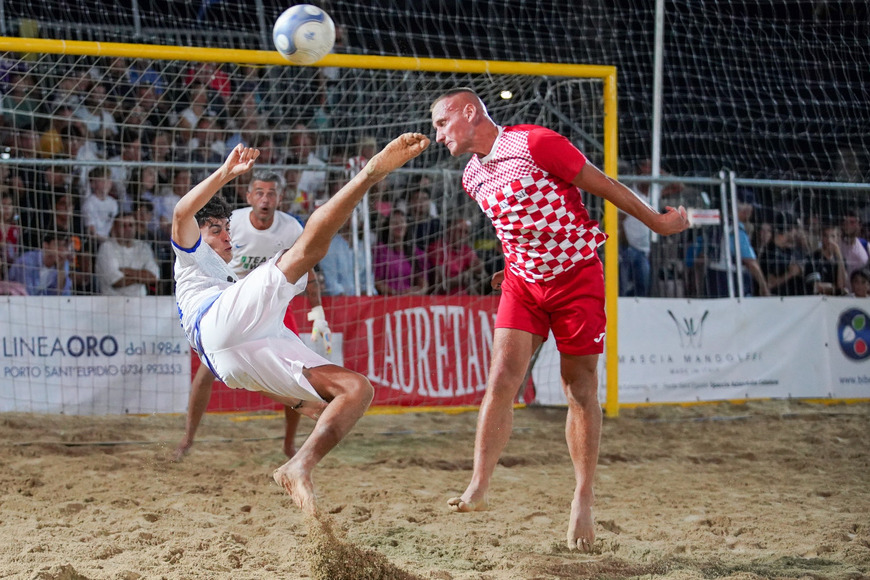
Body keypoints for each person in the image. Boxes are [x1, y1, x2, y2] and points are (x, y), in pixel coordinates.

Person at [430, 88, 688, 551]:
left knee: (579, 389)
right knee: (501, 379)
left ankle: (583, 497)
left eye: (441, 123)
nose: (437, 134)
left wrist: (656, 221)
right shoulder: (471, 177)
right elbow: (515, 224)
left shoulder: (535, 143)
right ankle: (479, 484)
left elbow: (604, 185)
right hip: (522, 284)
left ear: (470, 113)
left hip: (576, 277)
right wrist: (510, 265)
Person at [170, 133, 430, 515]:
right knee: (309, 247)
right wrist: (226, 172)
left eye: (227, 229)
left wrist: (296, 384)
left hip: (236, 356)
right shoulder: (190, 257)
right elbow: (181, 214)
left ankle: (298, 466)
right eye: (216, 231)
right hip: (217, 323)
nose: (227, 237)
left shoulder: (231, 270)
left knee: (356, 392)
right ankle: (370, 173)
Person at [172, 169, 332, 461]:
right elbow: (183, 215)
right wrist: (224, 172)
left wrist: (317, 312)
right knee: (221, 370)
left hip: (265, 300)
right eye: (259, 192)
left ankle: (291, 438)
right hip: (226, 310)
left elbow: (308, 269)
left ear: (280, 198)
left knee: (274, 366)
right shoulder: (201, 244)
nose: (265, 199)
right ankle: (187, 438)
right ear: (249, 196)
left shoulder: (288, 228)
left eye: (271, 193)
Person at [94, 212, 160, 296]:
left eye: (131, 225)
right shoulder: (106, 247)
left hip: (141, 302)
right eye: (123, 226)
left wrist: (128, 271)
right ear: (114, 228)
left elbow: (154, 277)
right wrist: (142, 276)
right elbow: (116, 281)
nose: (127, 229)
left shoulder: (143, 247)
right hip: (112, 303)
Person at [8, 231, 73, 296]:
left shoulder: (64, 264)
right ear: (45, 246)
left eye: (65, 246)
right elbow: (27, 294)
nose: (62, 250)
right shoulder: (27, 261)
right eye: (58, 245)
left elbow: (63, 296)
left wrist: (61, 269)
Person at [805, 224, 848, 296]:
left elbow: (842, 285)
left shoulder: (841, 260)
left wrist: (839, 256)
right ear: (821, 238)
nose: (829, 240)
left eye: (833, 236)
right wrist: (836, 288)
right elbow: (817, 287)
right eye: (825, 236)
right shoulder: (812, 258)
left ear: (838, 238)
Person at [838, 209, 869, 293]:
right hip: (842, 294)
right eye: (845, 222)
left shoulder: (865, 245)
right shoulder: (837, 245)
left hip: (862, 295)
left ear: (859, 225)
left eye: (852, 222)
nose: (848, 225)